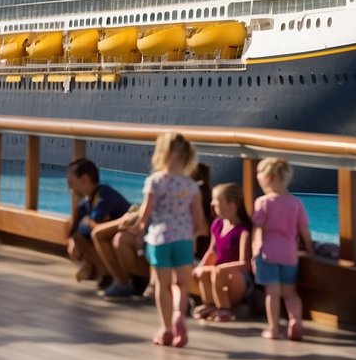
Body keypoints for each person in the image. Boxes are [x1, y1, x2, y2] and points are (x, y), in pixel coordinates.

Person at [136, 131, 203, 347]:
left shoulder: (155, 181)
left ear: (163, 153)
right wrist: (190, 234)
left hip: (160, 239)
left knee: (162, 286)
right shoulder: (191, 186)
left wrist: (138, 229)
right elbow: (198, 219)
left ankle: (165, 328)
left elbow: (145, 213)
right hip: (184, 239)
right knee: (181, 284)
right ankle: (178, 315)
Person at [252, 156, 312, 341]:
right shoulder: (296, 203)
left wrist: (255, 253)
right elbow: (304, 229)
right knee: (289, 292)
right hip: (289, 255)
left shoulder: (263, 202)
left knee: (273, 293)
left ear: (267, 177)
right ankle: (296, 320)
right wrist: (309, 249)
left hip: (269, 253)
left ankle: (274, 328)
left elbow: (258, 229)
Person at [192, 182, 252, 322]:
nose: (213, 204)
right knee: (204, 271)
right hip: (218, 275)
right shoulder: (217, 225)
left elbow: (245, 263)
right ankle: (210, 304)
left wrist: (222, 269)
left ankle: (224, 308)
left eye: (217, 201)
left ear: (231, 205)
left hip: (238, 278)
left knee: (217, 272)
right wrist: (201, 267)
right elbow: (212, 250)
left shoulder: (243, 231)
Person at [65, 158, 130, 286]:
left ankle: (107, 274)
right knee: (77, 238)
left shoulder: (104, 195)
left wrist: (87, 223)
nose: (68, 181)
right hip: (107, 237)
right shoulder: (86, 202)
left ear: (84, 179)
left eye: (71, 177)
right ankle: (102, 271)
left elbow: (92, 223)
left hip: (122, 236)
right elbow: (76, 229)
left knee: (83, 235)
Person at [92, 205, 150, 299]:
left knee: (117, 238)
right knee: (98, 234)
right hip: (141, 215)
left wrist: (135, 222)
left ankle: (124, 283)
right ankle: (122, 282)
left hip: (150, 221)